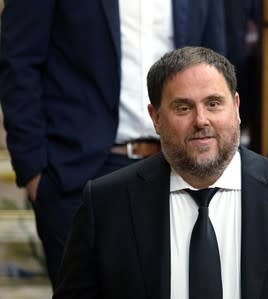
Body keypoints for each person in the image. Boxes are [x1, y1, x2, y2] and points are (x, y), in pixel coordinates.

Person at [53, 47, 268, 299]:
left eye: (214, 103)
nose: (202, 120)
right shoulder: (107, 203)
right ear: (156, 118)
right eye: (183, 108)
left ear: (237, 108)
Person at [0, 0, 225, 287]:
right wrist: (34, 173)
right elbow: (19, 63)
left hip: (179, 167)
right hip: (76, 173)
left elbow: (218, 61)